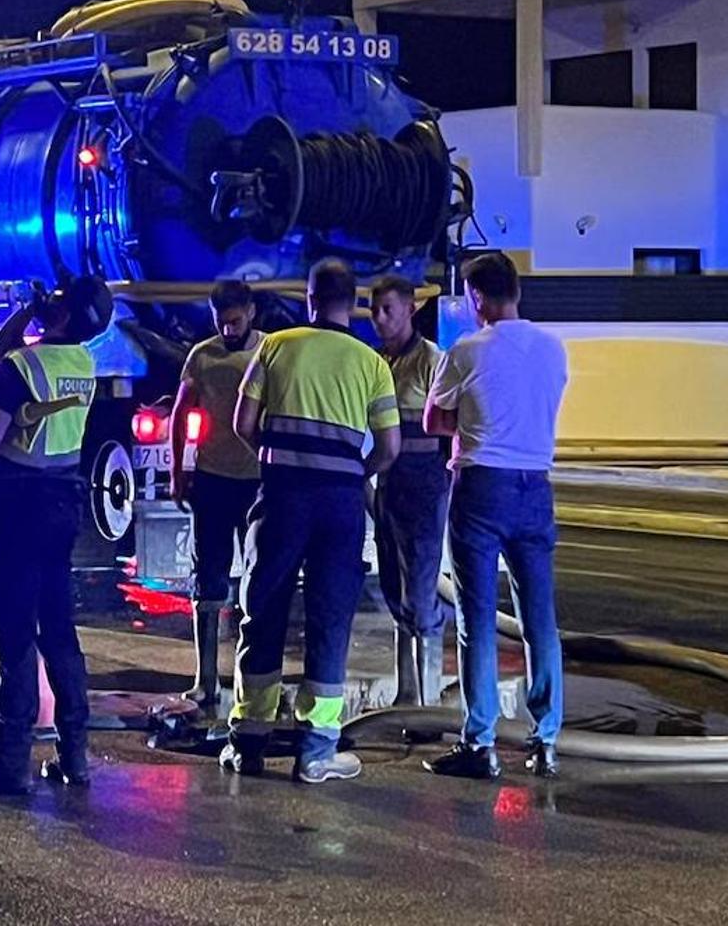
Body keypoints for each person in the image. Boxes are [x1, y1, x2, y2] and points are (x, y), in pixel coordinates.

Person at [225, 259, 399, 784]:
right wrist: (351, 472)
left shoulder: (276, 345)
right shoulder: (372, 363)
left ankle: (249, 741)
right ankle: (317, 751)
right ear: (355, 303)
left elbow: (242, 423)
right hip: (340, 506)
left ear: (309, 298)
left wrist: (278, 458)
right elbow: (389, 447)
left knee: (264, 609)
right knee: (329, 620)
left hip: (282, 498)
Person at [0, 275, 114, 795]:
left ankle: (10, 762)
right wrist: (33, 310)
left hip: (18, 511)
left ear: (65, 315)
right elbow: (12, 350)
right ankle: (75, 755)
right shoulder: (81, 363)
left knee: (14, 633)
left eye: (55, 304)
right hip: (61, 509)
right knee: (58, 630)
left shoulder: (21, 368)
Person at [422, 252, 569, 780]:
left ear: (479, 298)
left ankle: (480, 742)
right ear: (518, 291)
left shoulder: (467, 350)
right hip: (537, 487)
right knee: (539, 620)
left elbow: (434, 419)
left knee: (476, 619)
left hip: (482, 485)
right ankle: (547, 738)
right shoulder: (554, 349)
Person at [168, 279, 263, 717]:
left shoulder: (269, 352)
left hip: (258, 481)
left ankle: (254, 681)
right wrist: (177, 471)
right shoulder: (202, 356)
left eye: (236, 321)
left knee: (260, 581)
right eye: (221, 322)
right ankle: (205, 680)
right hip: (212, 478)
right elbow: (181, 411)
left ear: (252, 312)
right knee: (209, 580)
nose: (228, 329)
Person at [369, 274, 450, 709]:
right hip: (389, 486)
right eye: (375, 310)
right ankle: (407, 692)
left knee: (421, 595)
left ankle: (429, 701)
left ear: (410, 309)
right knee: (394, 589)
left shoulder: (432, 362)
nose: (380, 319)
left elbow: (449, 430)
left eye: (388, 310)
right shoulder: (378, 362)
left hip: (424, 486)